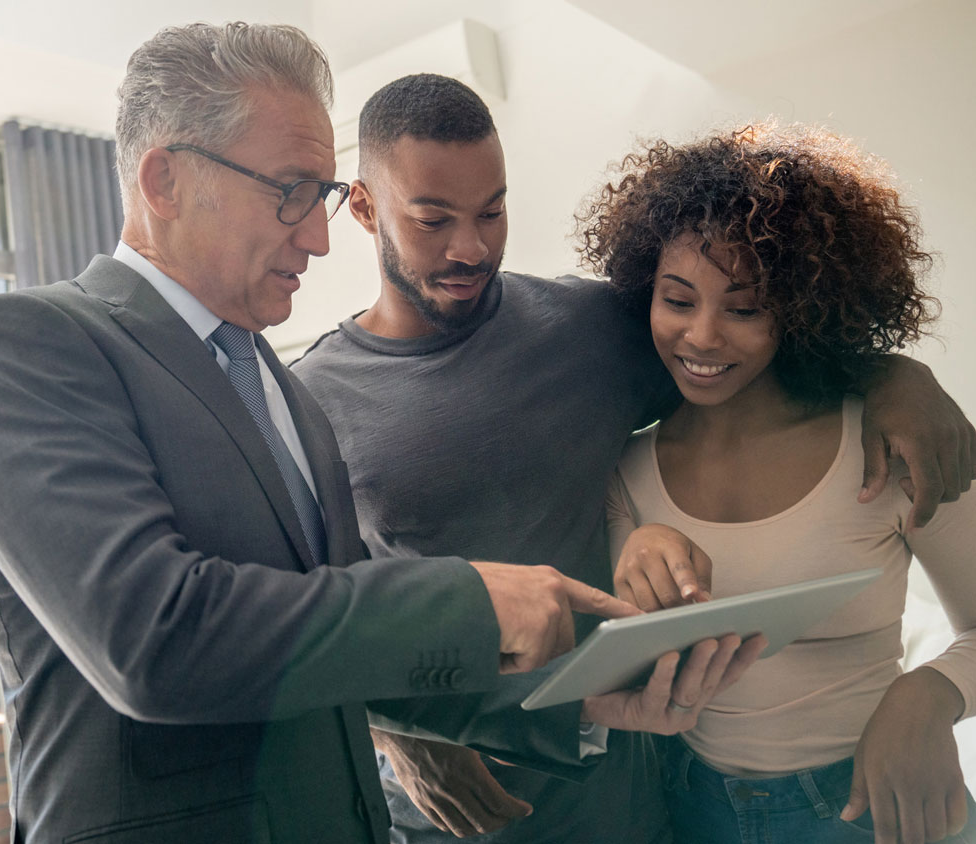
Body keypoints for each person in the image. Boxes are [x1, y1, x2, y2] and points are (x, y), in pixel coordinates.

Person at [0, 24, 761, 844]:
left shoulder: (279, 388)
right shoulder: (30, 343)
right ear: (166, 179)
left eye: (324, 196)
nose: (320, 236)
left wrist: (571, 702)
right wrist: (472, 600)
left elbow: (324, 657)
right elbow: (154, 639)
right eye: (291, 191)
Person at [290, 75, 976, 844]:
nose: (472, 247)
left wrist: (896, 374)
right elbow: (296, 624)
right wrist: (395, 731)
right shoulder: (306, 403)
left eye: (493, 211)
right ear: (363, 207)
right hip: (457, 810)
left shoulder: (591, 326)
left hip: (637, 796)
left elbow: (757, 346)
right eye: (432, 219)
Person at [582, 122, 976, 844]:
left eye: (744, 308)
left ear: (800, 313)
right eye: (677, 300)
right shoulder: (623, 469)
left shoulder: (889, 443)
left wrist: (930, 693)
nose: (702, 337)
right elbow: (621, 669)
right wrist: (635, 557)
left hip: (873, 803)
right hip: (687, 808)